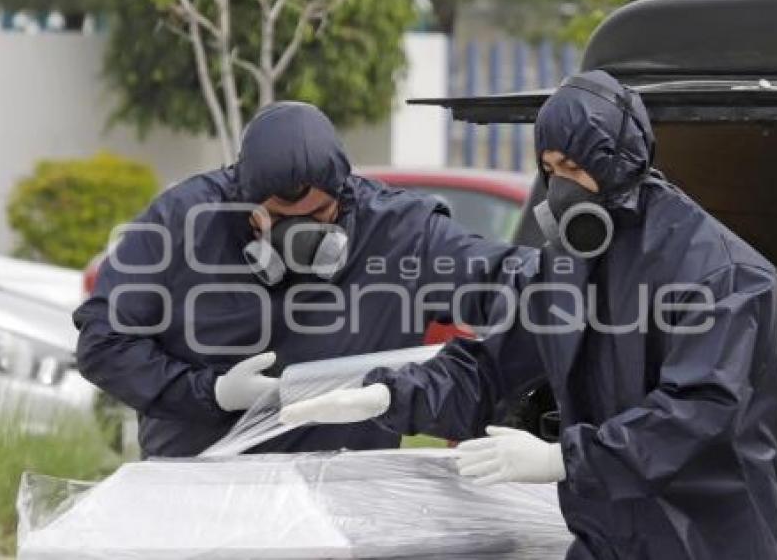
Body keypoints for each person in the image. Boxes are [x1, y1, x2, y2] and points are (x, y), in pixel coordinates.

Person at [279, 71, 777, 559]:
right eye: (549, 169)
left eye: (573, 167)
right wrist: (388, 393)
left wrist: (560, 459)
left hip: (707, 545)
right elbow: (489, 365)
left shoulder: (722, 273)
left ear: (618, 162)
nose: (559, 186)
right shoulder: (567, 263)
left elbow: (696, 415)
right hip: (608, 537)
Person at [73, 101, 539, 458]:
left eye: (319, 215)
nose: (303, 233)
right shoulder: (181, 223)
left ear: (343, 195)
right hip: (202, 497)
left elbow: (503, 283)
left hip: (343, 504)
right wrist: (209, 392)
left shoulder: (401, 235)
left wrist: (580, 279)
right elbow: (104, 340)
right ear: (243, 198)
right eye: (280, 217)